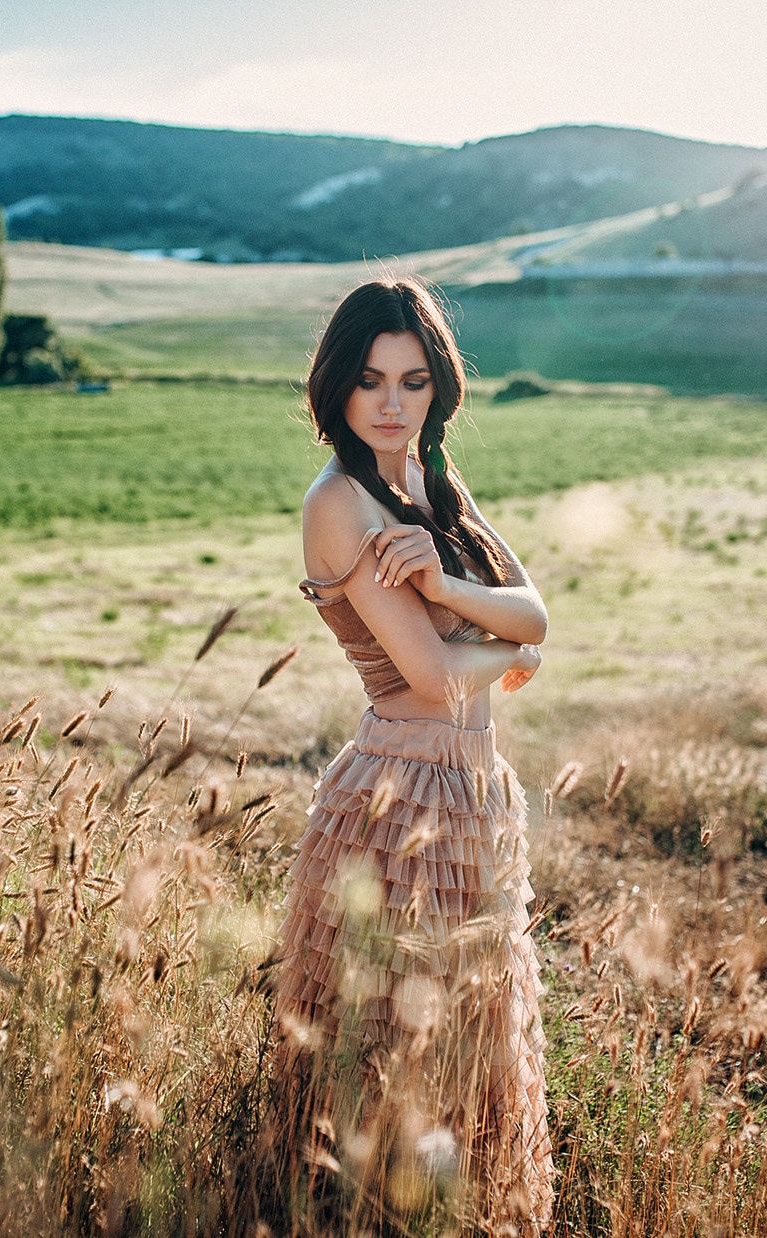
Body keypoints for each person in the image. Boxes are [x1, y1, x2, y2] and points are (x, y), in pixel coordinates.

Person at [268, 277, 554, 1230]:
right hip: (400, 797)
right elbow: (434, 678)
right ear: (336, 389)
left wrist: (452, 584)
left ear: (440, 389)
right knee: (389, 1048)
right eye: (370, 380)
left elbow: (534, 607)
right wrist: (509, 652)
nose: (392, 404)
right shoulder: (340, 503)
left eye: (414, 381)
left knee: (469, 1042)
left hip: (474, 793)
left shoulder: (429, 483)